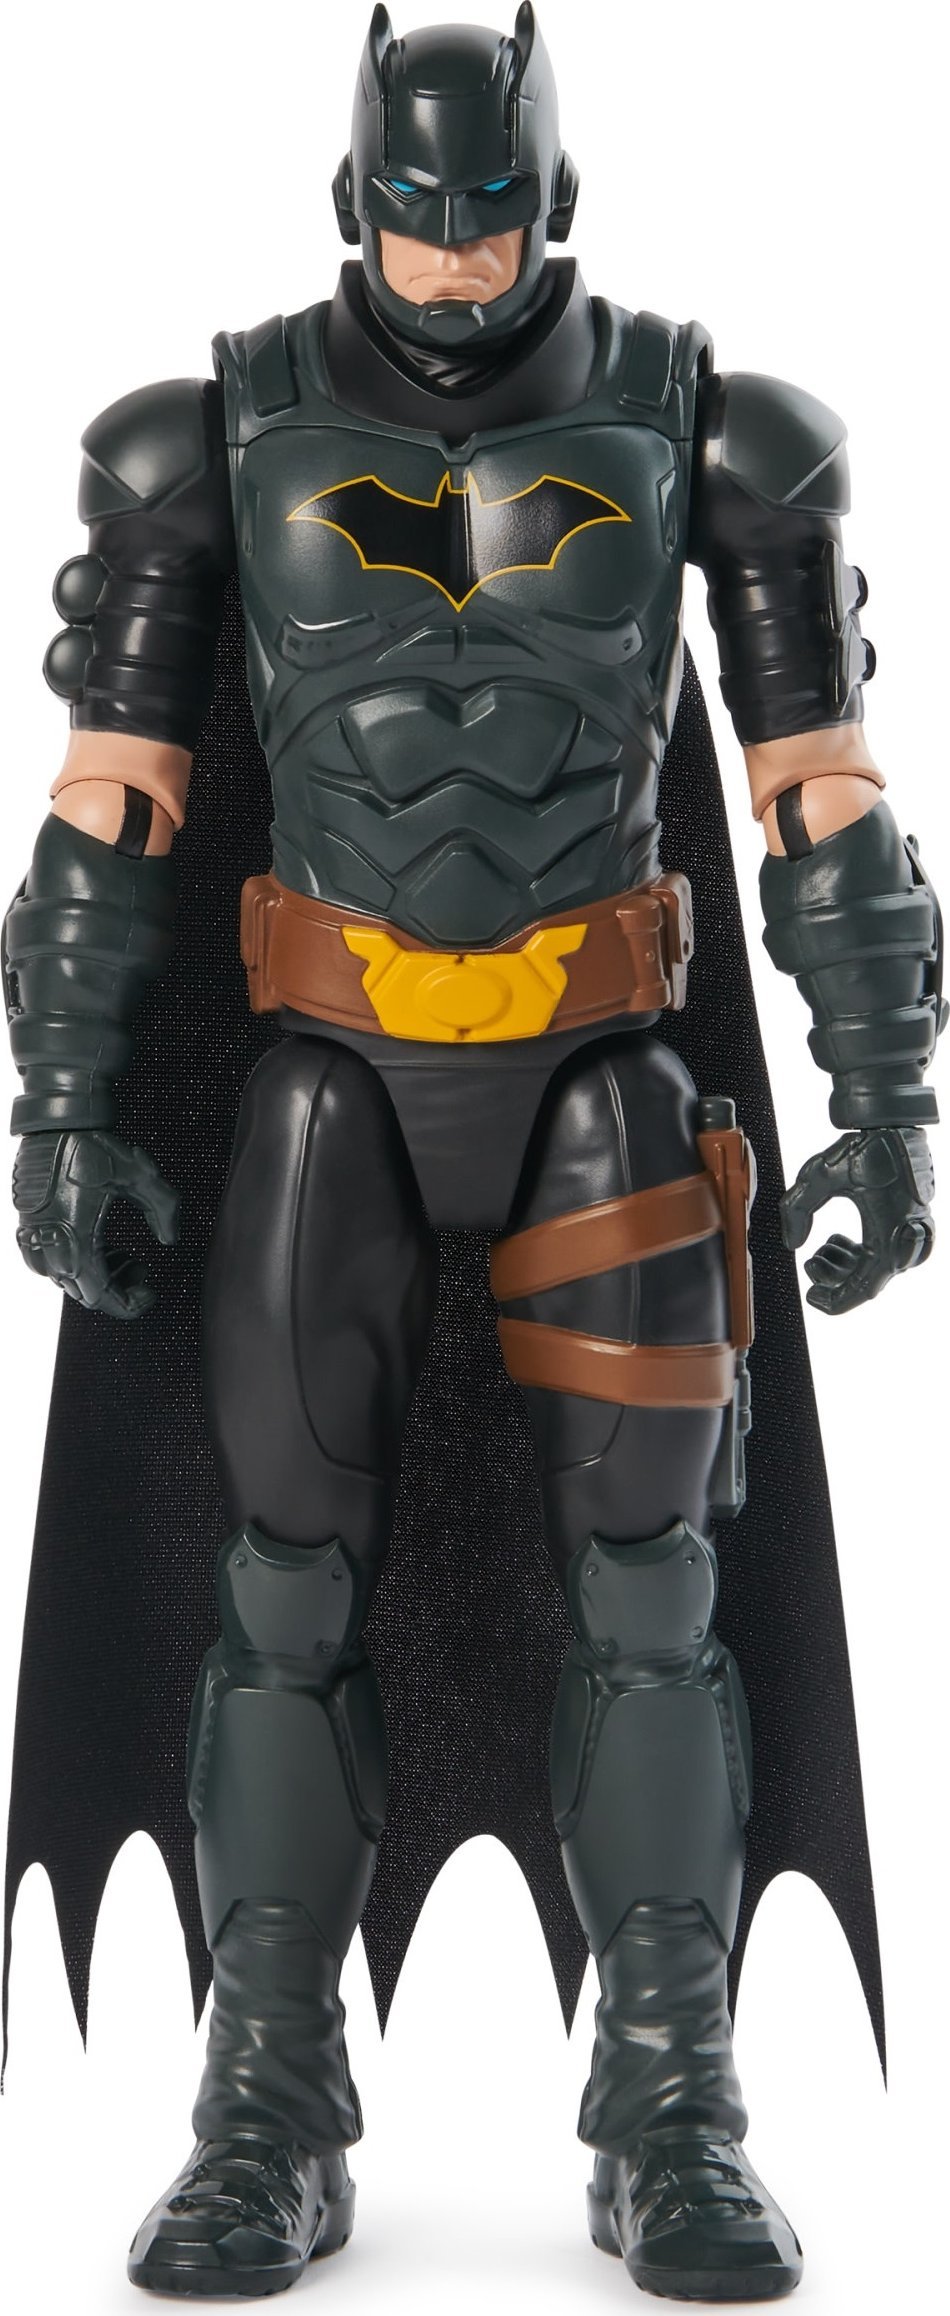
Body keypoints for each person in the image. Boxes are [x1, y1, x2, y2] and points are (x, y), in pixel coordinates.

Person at [3, 7, 940, 2302]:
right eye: (414, 213)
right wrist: (63, 1097)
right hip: (320, 1080)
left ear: (555, 199)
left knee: (652, 1600)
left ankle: (670, 2112)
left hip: (602, 1083)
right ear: (350, 201)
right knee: (279, 1595)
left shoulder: (711, 431)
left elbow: (816, 792)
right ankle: (267, 2112)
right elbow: (113, 803)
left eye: (487, 210)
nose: (448, 254)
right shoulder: (205, 437)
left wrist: (882, 1098)